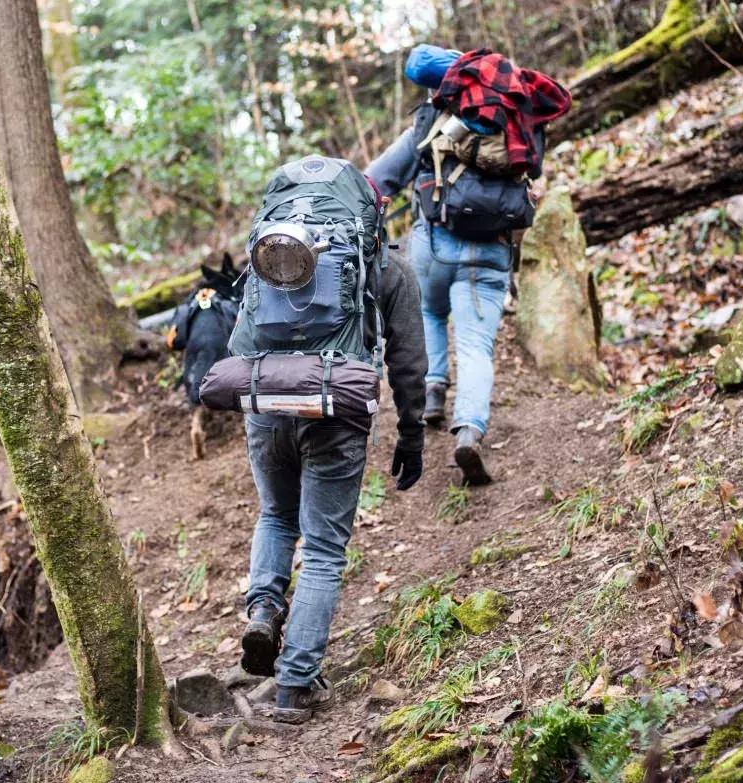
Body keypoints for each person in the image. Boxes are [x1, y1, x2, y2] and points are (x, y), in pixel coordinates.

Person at [225, 157, 427, 723]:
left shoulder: (268, 260)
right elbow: (410, 362)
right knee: (322, 549)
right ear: (371, 216)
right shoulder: (387, 270)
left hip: (266, 401)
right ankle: (294, 685)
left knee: (275, 515)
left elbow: (241, 338)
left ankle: (263, 609)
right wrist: (411, 435)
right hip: (336, 408)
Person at [366, 46, 570, 486]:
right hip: (492, 250)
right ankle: (470, 431)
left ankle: (434, 391)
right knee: (476, 346)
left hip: (434, 245)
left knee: (428, 313)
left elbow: (379, 179)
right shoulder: (520, 122)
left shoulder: (433, 118)